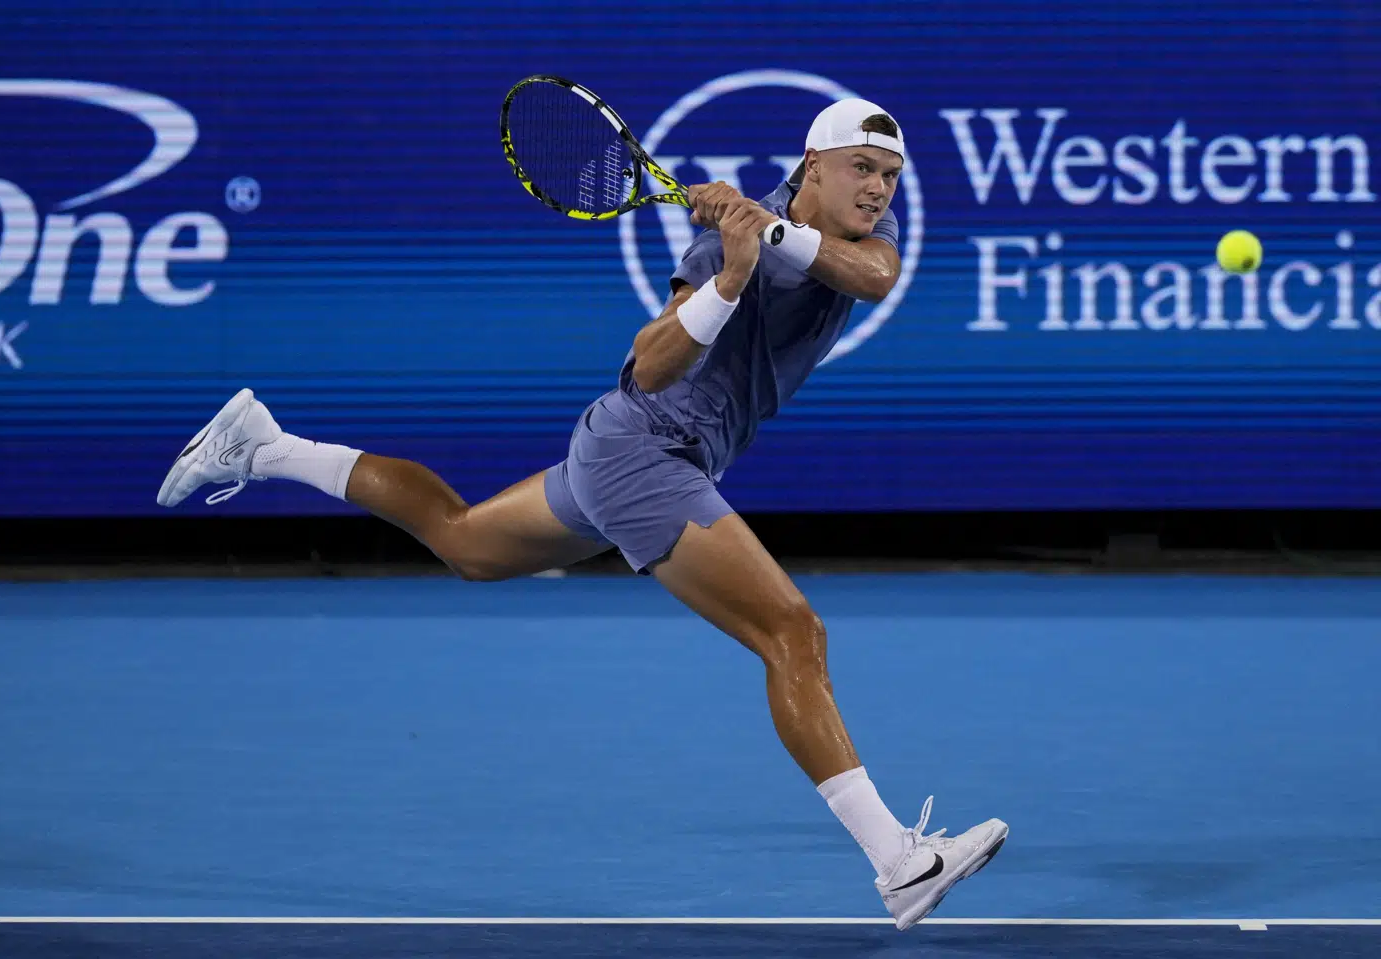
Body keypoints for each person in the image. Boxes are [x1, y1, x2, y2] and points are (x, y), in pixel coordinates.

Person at [157, 97, 1006, 929]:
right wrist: (736, 270)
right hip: (646, 449)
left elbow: (876, 277)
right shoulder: (721, 236)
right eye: (862, 168)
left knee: (465, 542)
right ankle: (898, 862)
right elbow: (652, 363)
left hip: (627, 452)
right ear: (812, 166)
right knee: (793, 636)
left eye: (890, 175)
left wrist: (774, 235)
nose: (878, 188)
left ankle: (262, 446)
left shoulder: (860, 239)